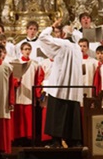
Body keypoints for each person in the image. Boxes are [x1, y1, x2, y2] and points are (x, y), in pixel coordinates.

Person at [37, 19, 84, 148]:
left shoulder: (62, 44)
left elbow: (42, 37)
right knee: (71, 114)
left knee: (57, 113)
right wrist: (71, 29)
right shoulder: (77, 47)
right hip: (74, 87)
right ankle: (73, 141)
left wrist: (52, 27)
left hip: (59, 84)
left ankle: (56, 141)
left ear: (63, 34)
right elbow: (78, 35)